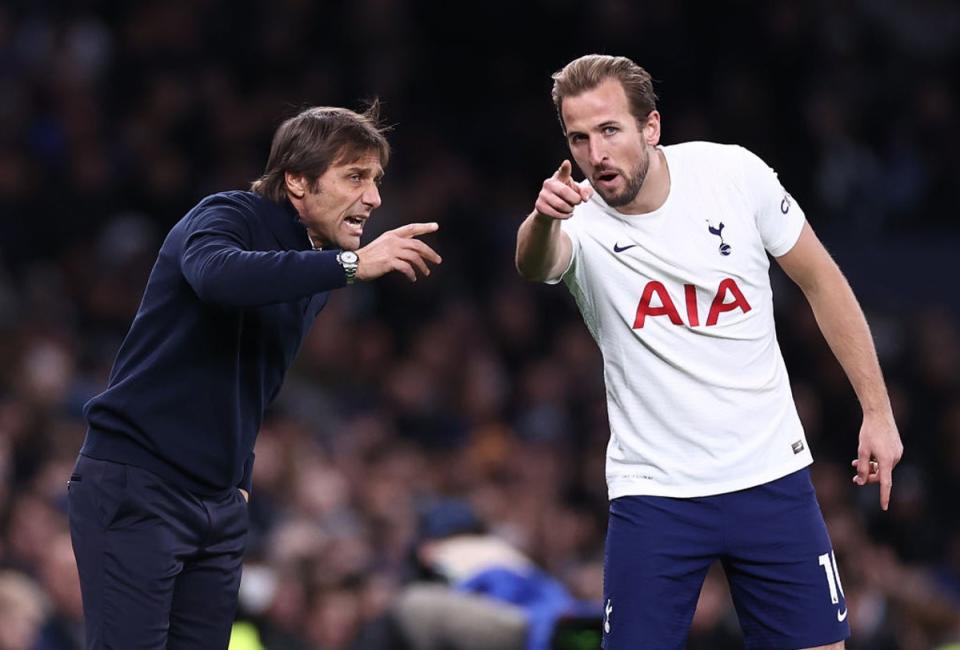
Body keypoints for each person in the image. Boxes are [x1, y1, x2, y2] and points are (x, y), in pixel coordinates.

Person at [515, 54, 903, 650]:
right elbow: (534, 261)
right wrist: (542, 219)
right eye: (579, 138)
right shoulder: (577, 218)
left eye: (611, 131)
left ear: (651, 127)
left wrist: (876, 412)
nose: (596, 154)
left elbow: (822, 280)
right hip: (656, 493)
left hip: (770, 475)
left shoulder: (733, 175)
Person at [68, 102, 441, 649]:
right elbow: (218, 277)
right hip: (138, 485)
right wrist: (352, 267)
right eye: (355, 176)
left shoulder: (315, 267)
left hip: (217, 506)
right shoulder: (229, 214)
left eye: (376, 180)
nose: (374, 198)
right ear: (296, 179)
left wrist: (238, 481)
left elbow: (253, 381)